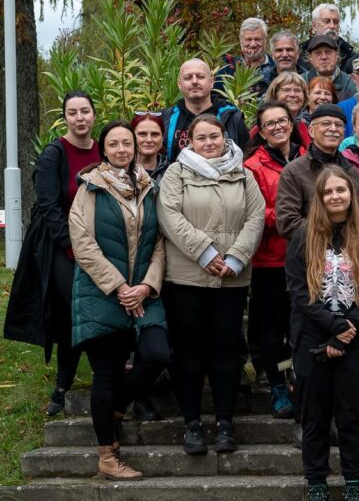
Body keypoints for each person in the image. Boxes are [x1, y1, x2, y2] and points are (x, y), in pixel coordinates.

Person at [157, 115, 265, 455]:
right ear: (189, 141)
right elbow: (169, 215)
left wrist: (235, 257)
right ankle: (192, 423)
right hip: (187, 277)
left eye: (214, 137)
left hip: (231, 279)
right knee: (188, 352)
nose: (208, 143)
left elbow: (256, 217)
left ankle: (224, 423)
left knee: (226, 352)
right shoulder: (177, 173)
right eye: (201, 138)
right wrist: (204, 252)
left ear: (224, 137)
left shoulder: (244, 174)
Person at [68, 121, 169, 480]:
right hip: (101, 293)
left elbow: (160, 242)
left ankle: (116, 410)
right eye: (115, 144)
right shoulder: (91, 188)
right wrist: (118, 287)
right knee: (106, 372)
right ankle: (107, 457)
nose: (123, 149)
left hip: (143, 291)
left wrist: (145, 286)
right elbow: (82, 243)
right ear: (104, 149)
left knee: (158, 353)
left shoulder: (149, 186)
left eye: (127, 142)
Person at [284, 166, 359, 501]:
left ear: (351, 194)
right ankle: (317, 484)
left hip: (356, 337)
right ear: (319, 198)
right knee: (314, 417)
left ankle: (355, 484)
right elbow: (299, 293)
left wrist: (346, 331)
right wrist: (334, 327)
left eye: (341, 190)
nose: (335, 196)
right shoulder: (303, 236)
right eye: (328, 192)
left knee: (351, 415)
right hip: (312, 335)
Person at [6, 91, 100, 416]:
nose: (79, 118)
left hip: (101, 245)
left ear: (94, 115)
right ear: (65, 118)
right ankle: (64, 388)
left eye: (85, 111)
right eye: (72, 112)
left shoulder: (104, 150)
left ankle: (73, 387)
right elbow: (47, 207)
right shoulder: (54, 155)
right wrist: (72, 247)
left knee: (80, 316)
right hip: (60, 245)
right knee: (76, 313)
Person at [244, 101, 307, 418]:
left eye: (283, 120)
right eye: (270, 124)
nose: (278, 127)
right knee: (273, 328)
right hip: (270, 260)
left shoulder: (307, 157)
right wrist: (292, 218)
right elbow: (254, 213)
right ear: (261, 131)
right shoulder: (254, 166)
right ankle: (279, 384)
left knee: (302, 325)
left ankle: (298, 379)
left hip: (308, 258)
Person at [277, 104, 359, 241]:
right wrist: (333, 235)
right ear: (311, 130)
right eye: (326, 123)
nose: (333, 129)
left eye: (338, 125)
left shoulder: (353, 173)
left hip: (350, 253)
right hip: (307, 255)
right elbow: (287, 222)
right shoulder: (293, 171)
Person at [162, 58, 248, 162]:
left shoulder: (231, 118)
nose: (194, 81)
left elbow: (246, 159)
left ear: (211, 82)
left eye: (200, 76)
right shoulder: (167, 118)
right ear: (179, 84)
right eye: (188, 77)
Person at [215, 17, 275, 98]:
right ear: (241, 41)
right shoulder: (227, 70)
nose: (253, 44)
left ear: (265, 41)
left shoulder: (276, 69)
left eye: (257, 39)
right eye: (248, 39)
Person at [299, 3, 357, 71]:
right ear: (314, 26)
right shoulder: (300, 55)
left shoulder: (350, 56)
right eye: (327, 21)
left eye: (335, 22)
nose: (332, 26)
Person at [304, 35, 358, 102]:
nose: (324, 57)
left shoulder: (351, 83)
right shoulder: (302, 82)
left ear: (337, 55)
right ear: (310, 58)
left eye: (328, 52)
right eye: (318, 53)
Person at [131, 111, 170, 184]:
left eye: (155, 134)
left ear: (162, 139)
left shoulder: (172, 172)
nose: (149, 139)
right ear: (131, 137)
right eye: (142, 134)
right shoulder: (120, 170)